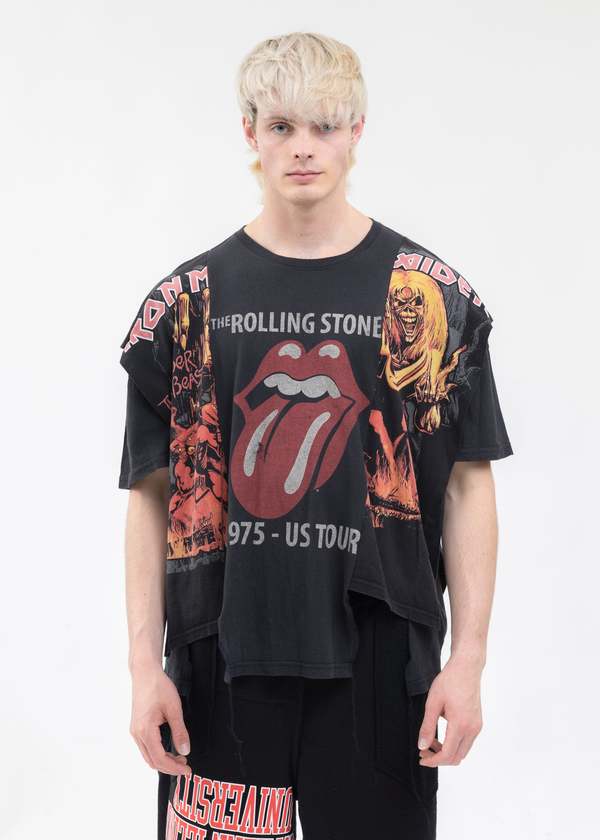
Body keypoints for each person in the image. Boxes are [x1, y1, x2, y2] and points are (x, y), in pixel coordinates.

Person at [117, 32, 514, 840]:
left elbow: (468, 482)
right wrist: (142, 667)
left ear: (357, 130)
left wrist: (468, 661)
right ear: (250, 132)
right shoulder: (186, 305)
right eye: (282, 126)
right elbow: (151, 493)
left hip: (380, 665)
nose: (303, 148)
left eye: (325, 126)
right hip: (219, 658)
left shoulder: (427, 301)